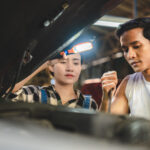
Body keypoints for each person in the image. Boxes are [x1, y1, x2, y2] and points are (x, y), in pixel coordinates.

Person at [9, 50, 98, 110]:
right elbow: (8, 91)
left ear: (80, 67)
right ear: (51, 67)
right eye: (63, 62)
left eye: (75, 63)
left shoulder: (89, 104)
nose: (70, 68)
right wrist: (45, 63)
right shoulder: (34, 94)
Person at [100, 17, 150, 120]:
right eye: (125, 50)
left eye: (136, 46)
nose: (129, 55)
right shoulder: (129, 82)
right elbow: (107, 124)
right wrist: (106, 98)